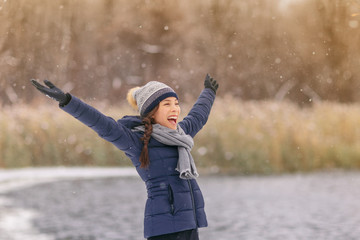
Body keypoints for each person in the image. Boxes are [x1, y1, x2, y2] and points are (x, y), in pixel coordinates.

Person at [31, 74, 219, 240]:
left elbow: (198, 116)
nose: (175, 109)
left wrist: (209, 92)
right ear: (152, 111)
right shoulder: (137, 141)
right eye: (167, 104)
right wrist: (68, 101)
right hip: (165, 229)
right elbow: (102, 124)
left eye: (177, 104)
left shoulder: (180, 136)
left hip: (189, 224)